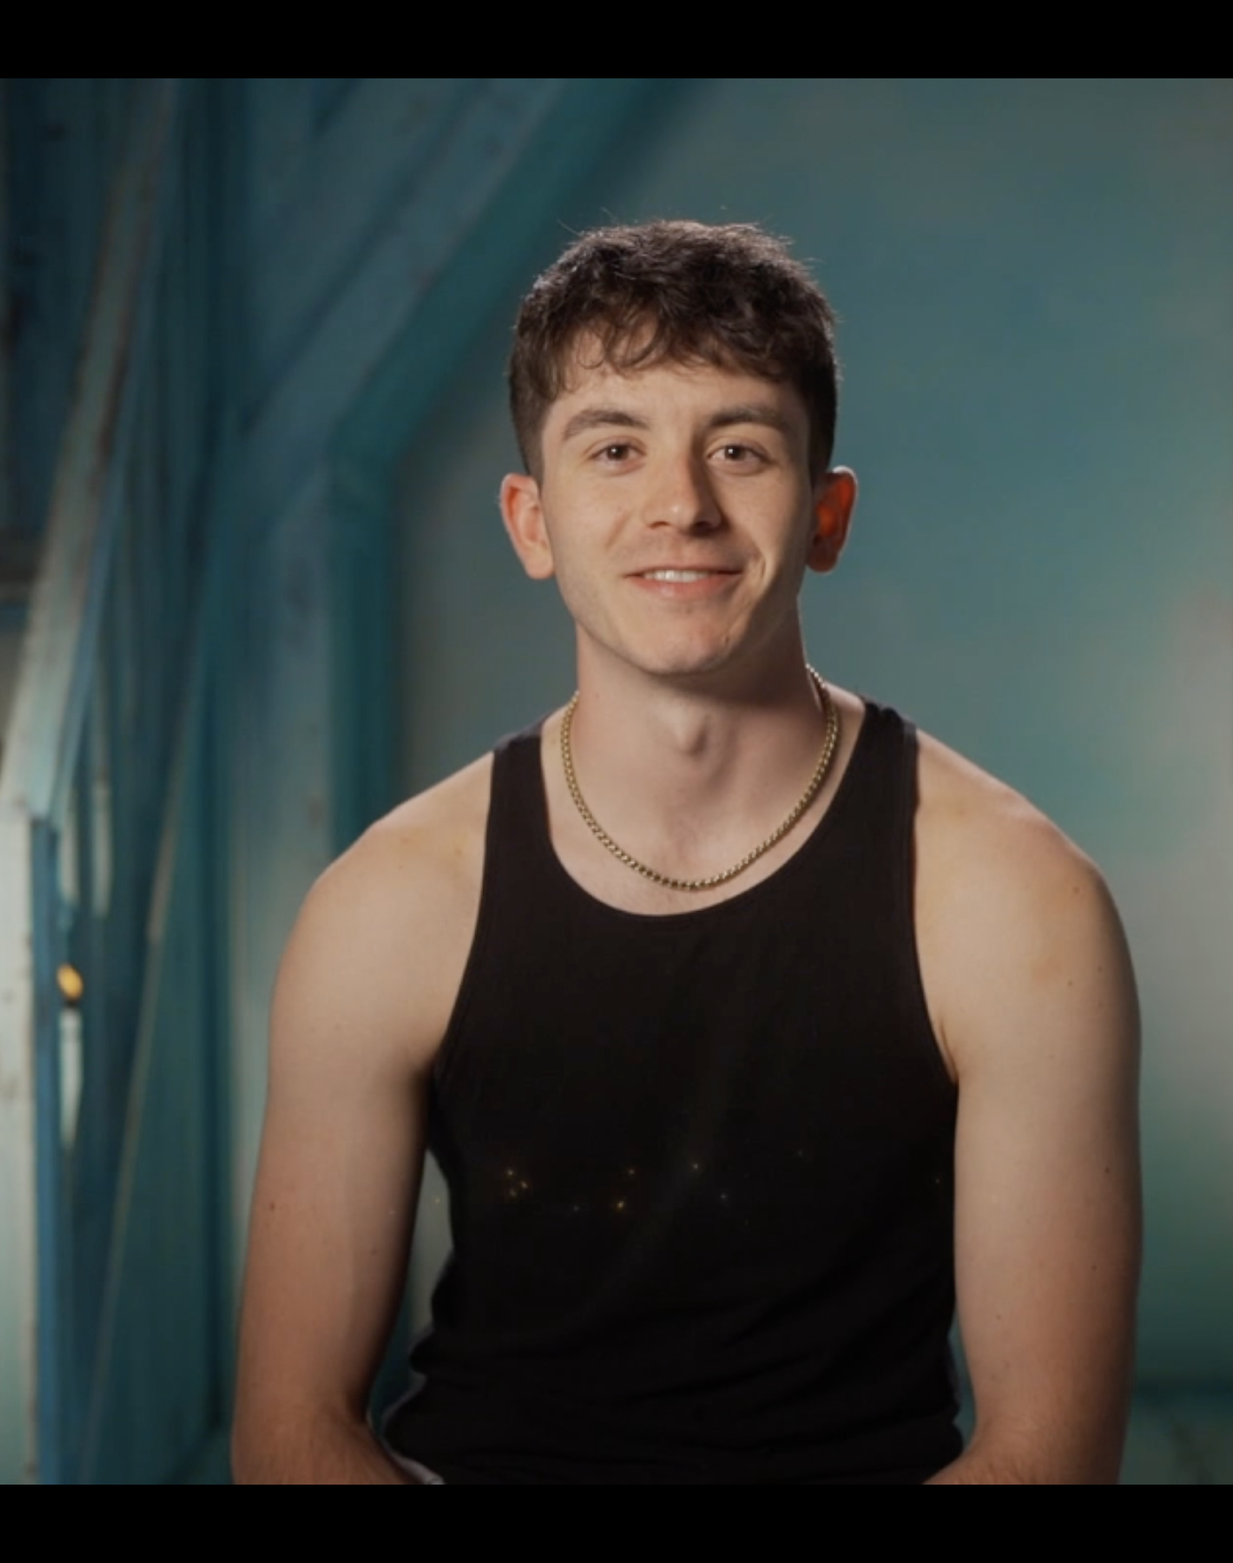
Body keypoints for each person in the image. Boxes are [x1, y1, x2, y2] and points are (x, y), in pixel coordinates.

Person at [234, 219, 1141, 1484]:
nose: (681, 505)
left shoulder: (1014, 902)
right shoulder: (387, 906)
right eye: (614, 448)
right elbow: (291, 1439)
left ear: (825, 515)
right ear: (531, 519)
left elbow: (1048, 1454)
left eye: (740, 447)